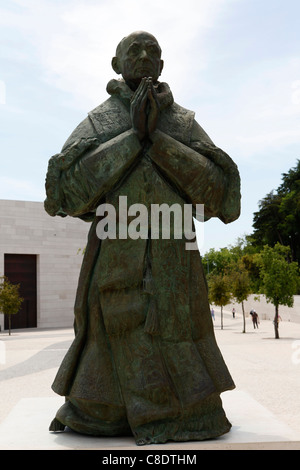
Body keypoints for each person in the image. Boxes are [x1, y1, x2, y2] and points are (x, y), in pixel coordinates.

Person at [45, 31, 241, 445]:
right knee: (100, 404)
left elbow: (219, 195)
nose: (145, 56)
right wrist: (133, 137)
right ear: (116, 65)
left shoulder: (184, 123)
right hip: (115, 260)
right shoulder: (99, 122)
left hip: (175, 265)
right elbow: (68, 194)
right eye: (133, 50)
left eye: (153, 51)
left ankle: (185, 414)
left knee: (180, 348)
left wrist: (159, 139)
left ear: (163, 66)